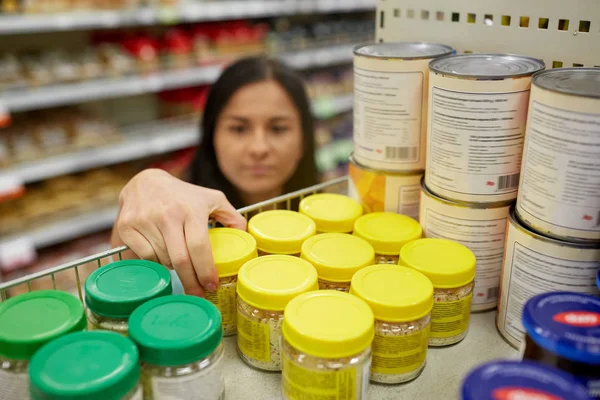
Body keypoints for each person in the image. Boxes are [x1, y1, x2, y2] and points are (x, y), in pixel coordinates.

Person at [110, 56, 319, 297]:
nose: (259, 148)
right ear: (212, 136)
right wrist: (144, 184)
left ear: (304, 139)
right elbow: (120, 279)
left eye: (278, 128)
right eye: (239, 128)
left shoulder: (327, 222)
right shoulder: (177, 218)